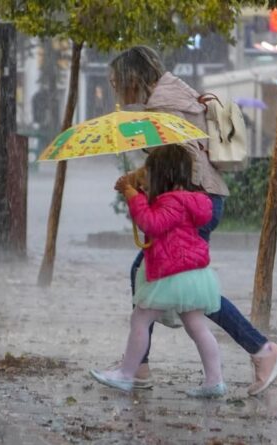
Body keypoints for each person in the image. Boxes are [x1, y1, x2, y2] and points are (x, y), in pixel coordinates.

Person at [109, 45, 277, 396]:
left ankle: (262, 351)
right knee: (182, 286)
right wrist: (140, 176)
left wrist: (138, 184)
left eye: (119, 82)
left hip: (193, 204)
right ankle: (141, 366)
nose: (118, 89)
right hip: (204, 199)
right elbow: (182, 157)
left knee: (193, 290)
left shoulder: (163, 105)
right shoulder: (177, 93)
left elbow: (182, 162)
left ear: (135, 78)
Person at [91, 145, 226, 398]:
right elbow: (159, 216)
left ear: (162, 175)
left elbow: (151, 223)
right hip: (194, 273)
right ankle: (215, 380)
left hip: (172, 273)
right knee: (197, 326)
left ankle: (127, 374)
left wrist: (133, 195)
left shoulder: (172, 201)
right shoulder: (189, 199)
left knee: (140, 318)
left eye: (149, 172)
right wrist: (135, 188)